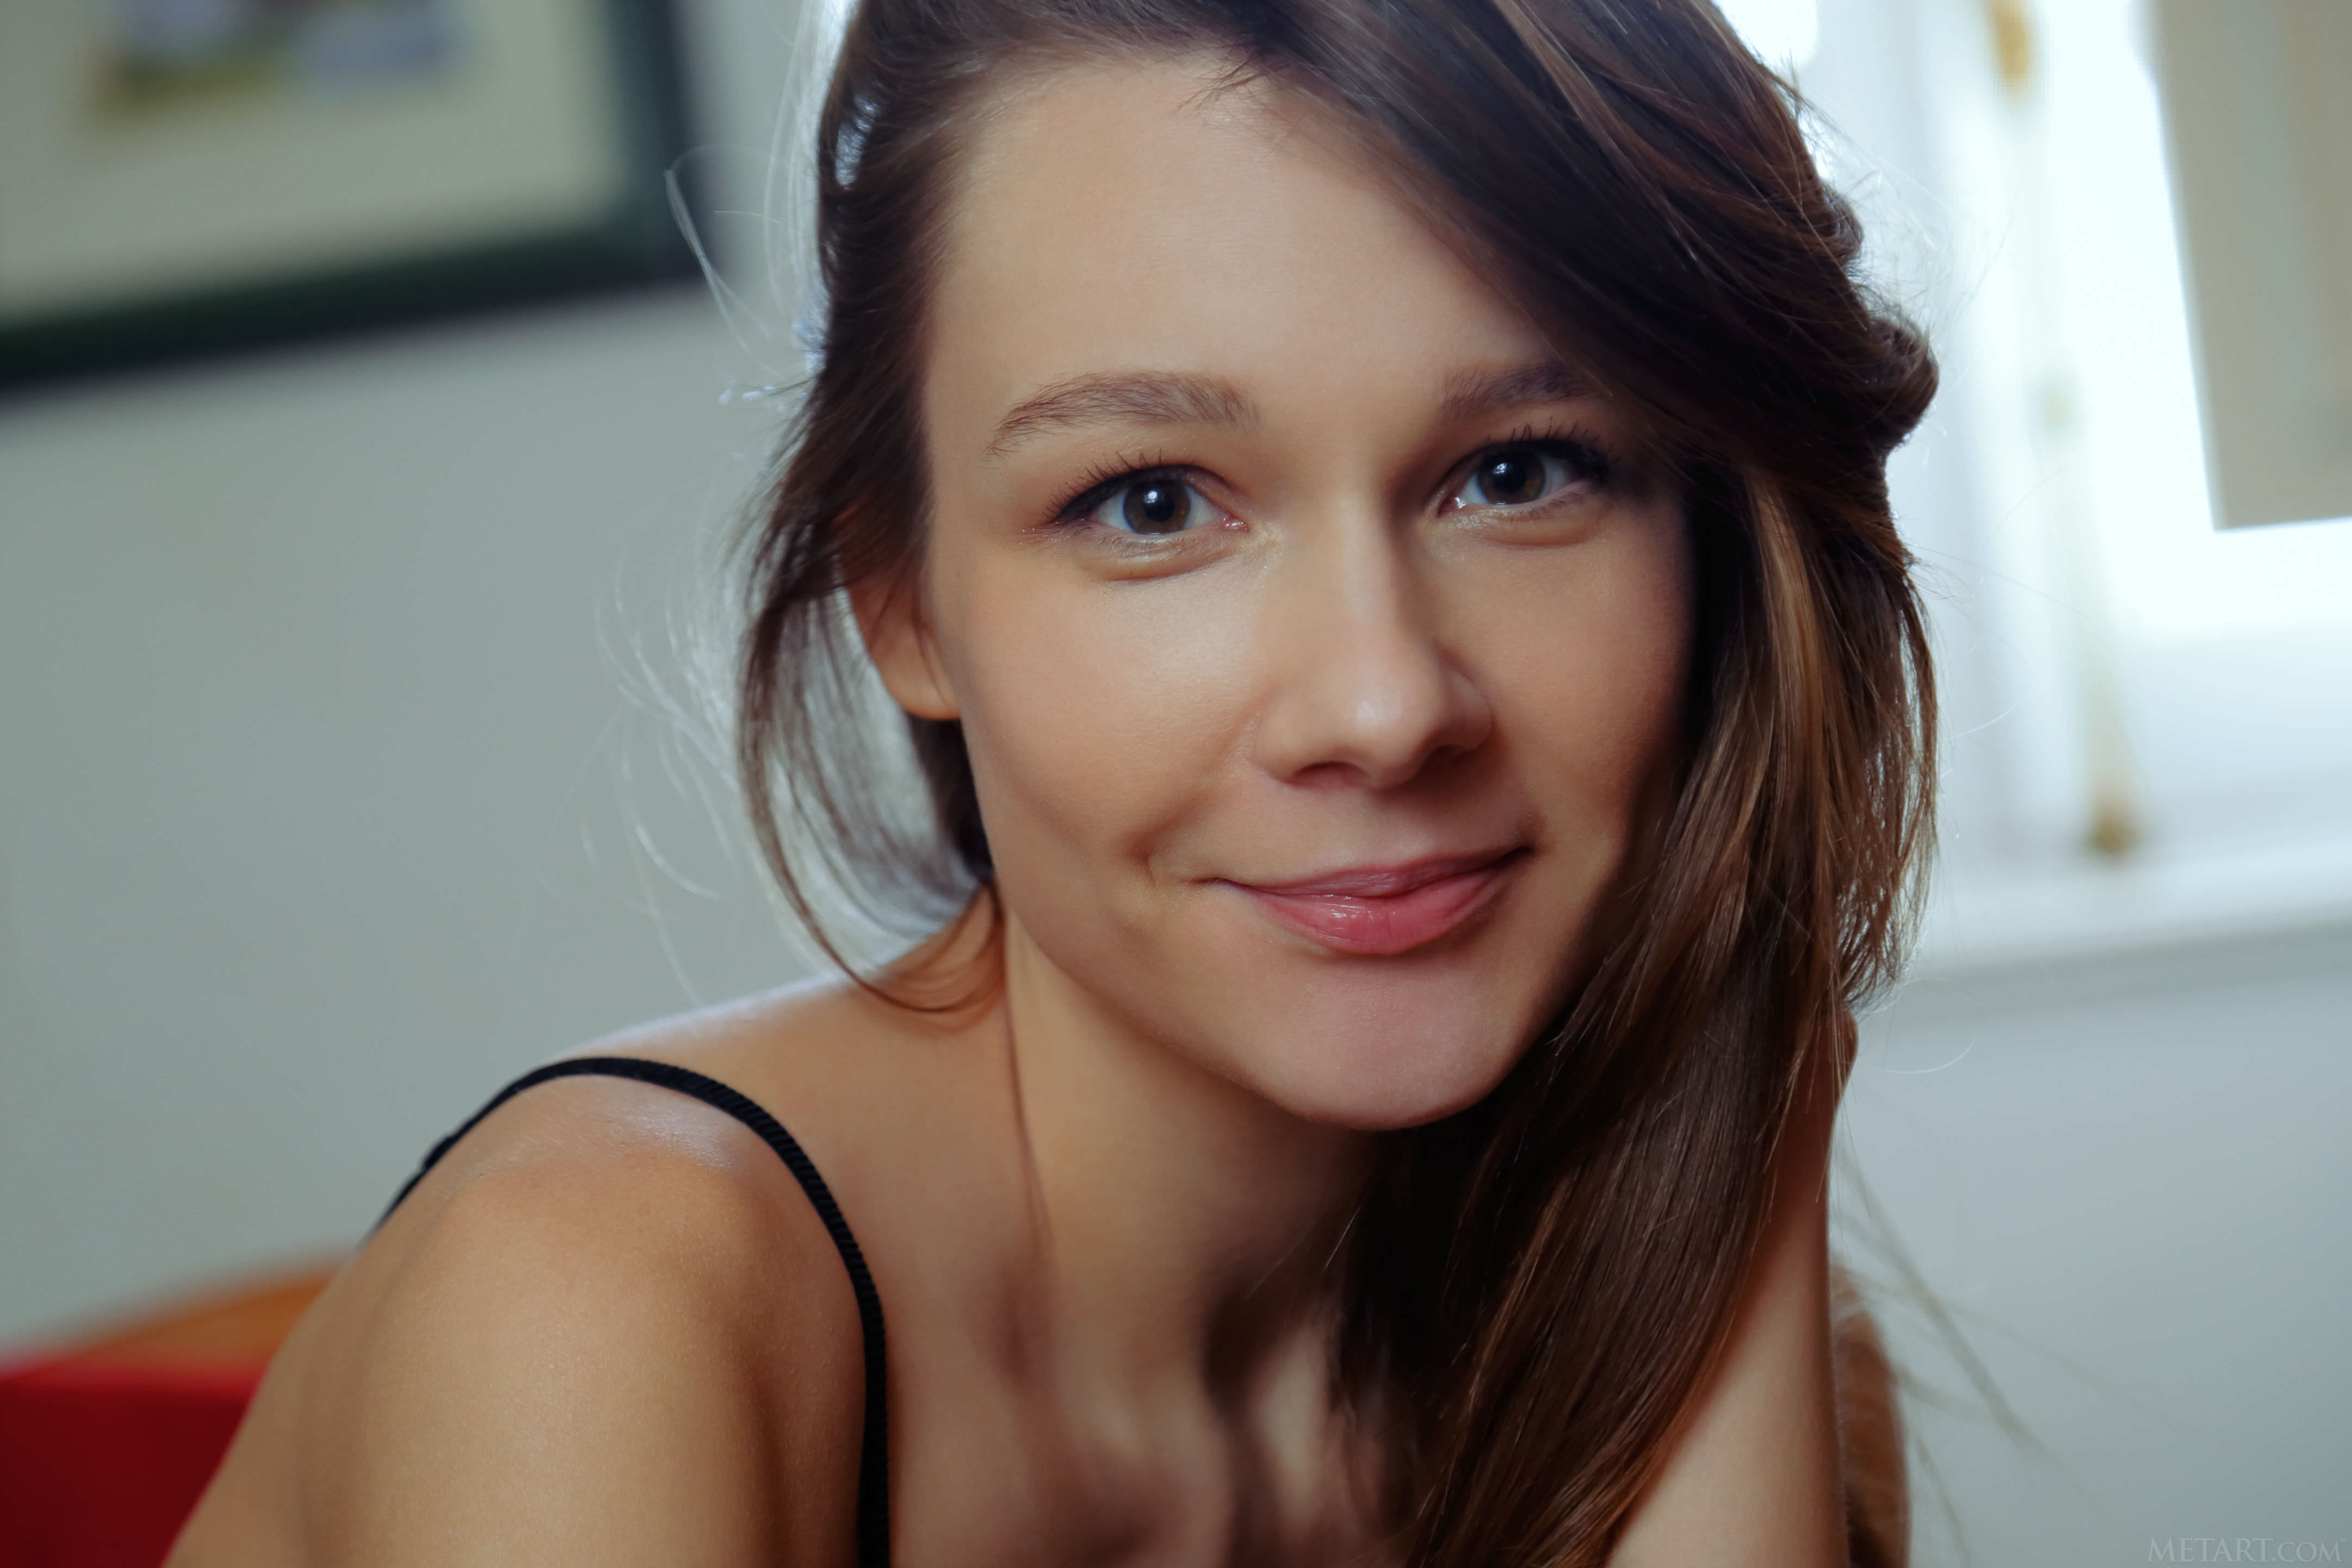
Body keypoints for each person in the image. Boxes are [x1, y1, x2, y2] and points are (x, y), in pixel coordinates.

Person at [170, 0, 1935, 1561]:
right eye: (1150, 502)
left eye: (1520, 471)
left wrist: (1747, 1091)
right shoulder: (602, 1299)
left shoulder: (1699, 1349)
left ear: (1717, 548)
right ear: (902, 600)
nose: (1383, 703)